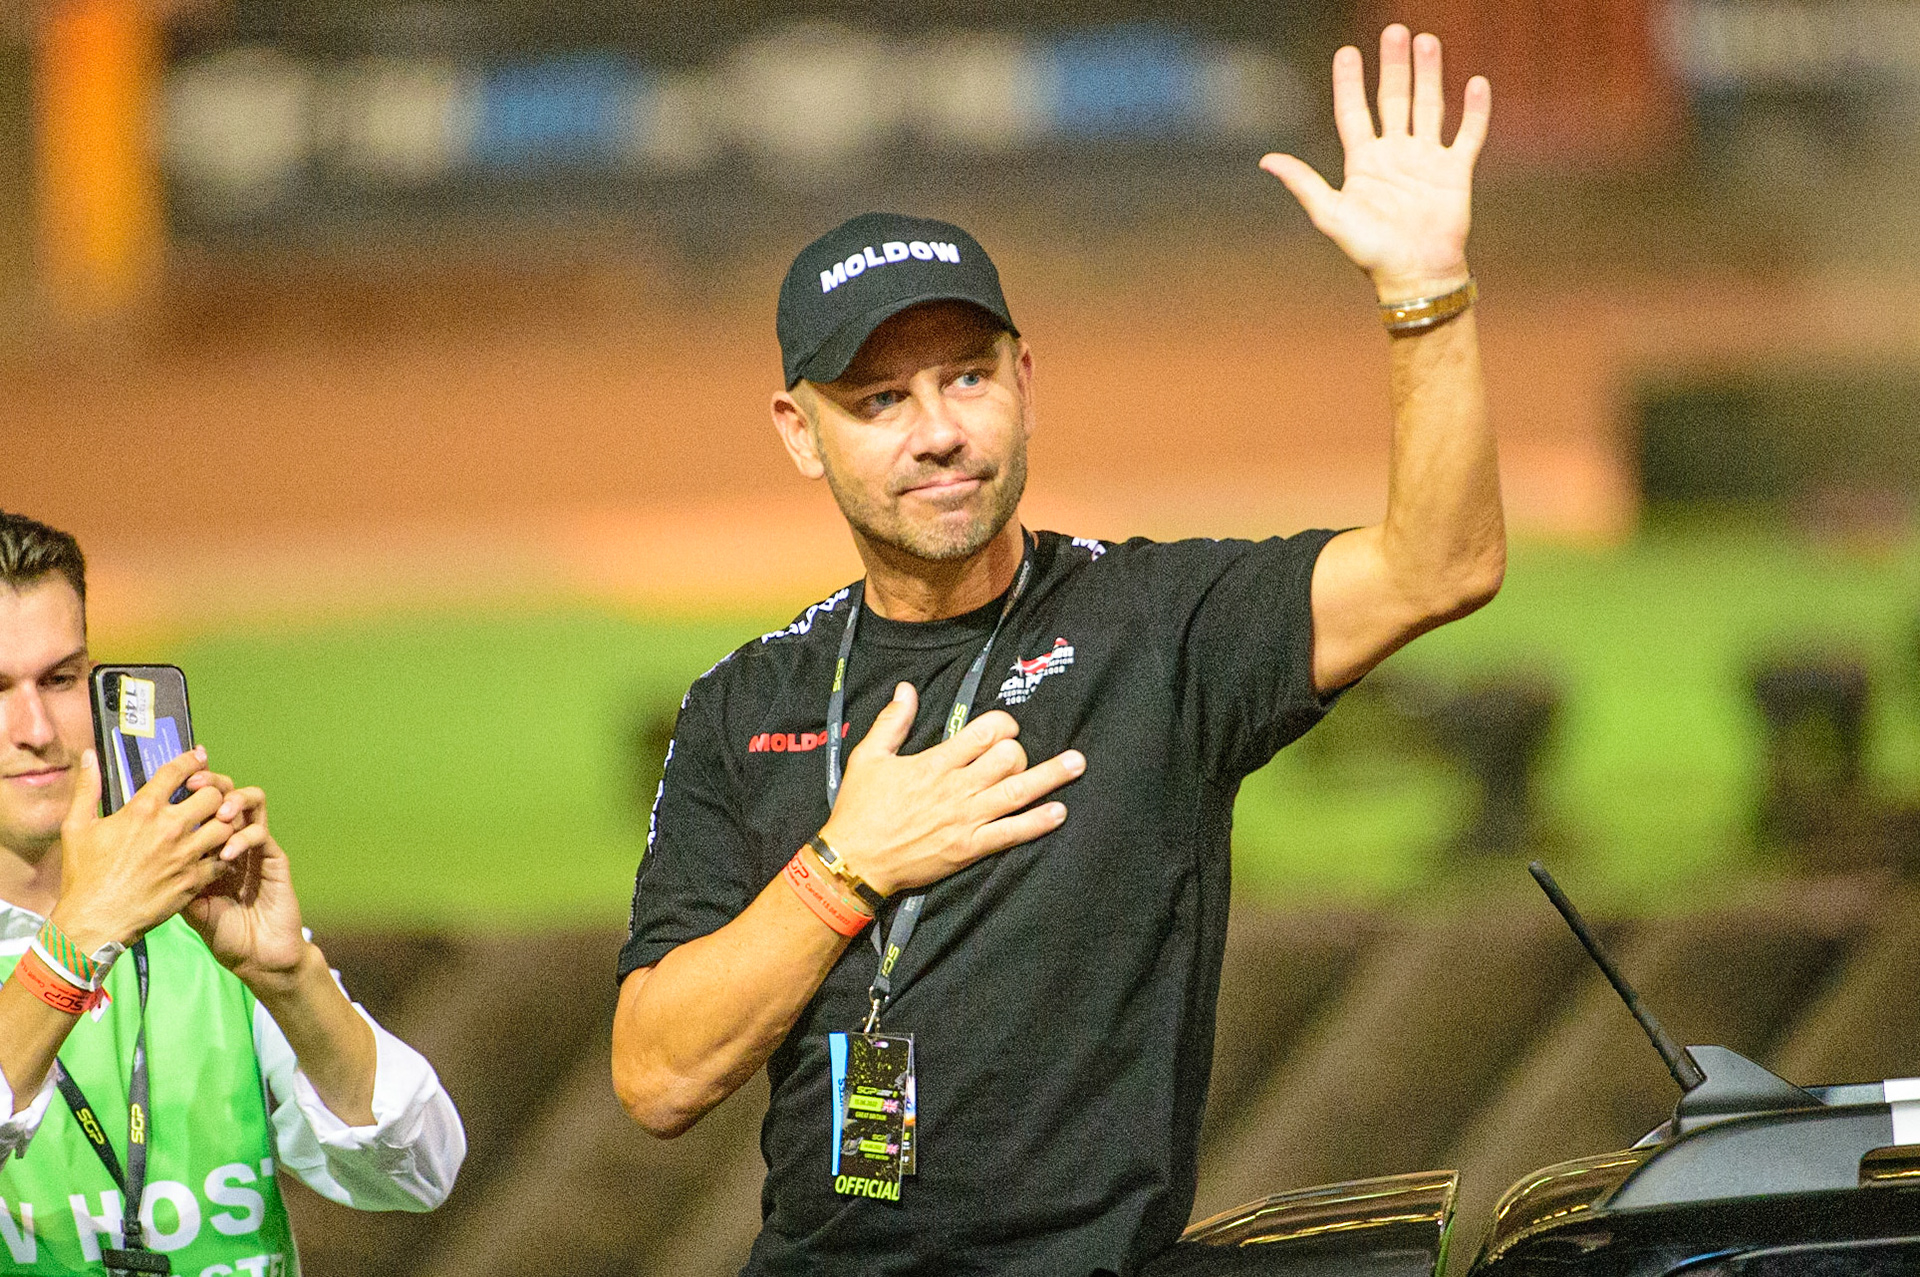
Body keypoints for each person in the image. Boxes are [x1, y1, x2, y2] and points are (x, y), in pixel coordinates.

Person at [612, 26, 1499, 1277]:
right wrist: (845, 867)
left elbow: (1440, 563)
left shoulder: (1161, 626)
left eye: (967, 378)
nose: (938, 430)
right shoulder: (743, 704)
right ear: (799, 433)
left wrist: (1427, 297)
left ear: (1026, 381)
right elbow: (656, 1072)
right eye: (879, 400)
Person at [0, 511, 466, 1274]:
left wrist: (290, 977)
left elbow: (418, 1168)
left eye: (60, 679)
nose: (35, 727)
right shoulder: (103, 925)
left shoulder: (195, 920)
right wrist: (78, 938)